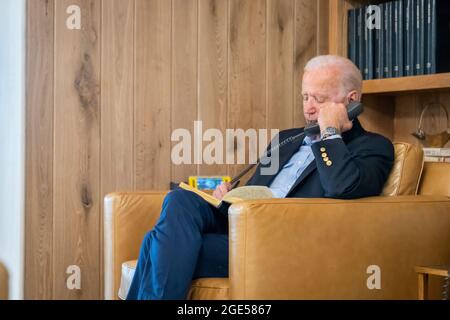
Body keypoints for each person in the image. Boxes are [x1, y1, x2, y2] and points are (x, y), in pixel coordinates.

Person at [126, 55, 394, 300]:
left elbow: (341, 186)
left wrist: (330, 133)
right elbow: (257, 189)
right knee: (180, 200)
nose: (309, 108)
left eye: (320, 100)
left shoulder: (374, 147)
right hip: (243, 226)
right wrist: (229, 197)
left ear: (351, 100)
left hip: (282, 244)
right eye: (305, 97)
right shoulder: (287, 139)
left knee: (156, 242)